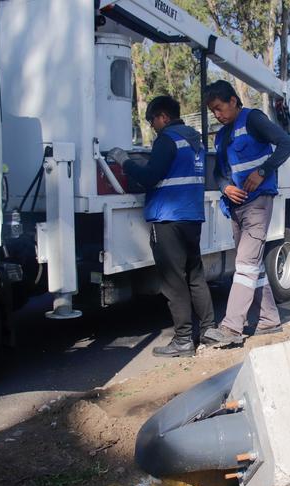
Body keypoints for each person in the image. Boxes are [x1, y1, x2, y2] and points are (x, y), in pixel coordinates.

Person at [108, 96, 214, 358]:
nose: (152, 125)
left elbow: (149, 177)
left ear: (163, 117)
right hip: (191, 216)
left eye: (152, 120)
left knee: (173, 282)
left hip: (167, 218)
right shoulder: (194, 139)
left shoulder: (167, 139)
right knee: (195, 276)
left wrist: (124, 161)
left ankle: (183, 341)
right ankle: (210, 330)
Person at [200, 80, 290, 347]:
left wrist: (263, 172)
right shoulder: (221, 136)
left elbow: (287, 144)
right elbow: (219, 172)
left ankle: (231, 328)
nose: (217, 115)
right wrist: (226, 187)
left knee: (243, 264)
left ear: (233, 100)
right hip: (236, 206)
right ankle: (269, 319)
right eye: (213, 111)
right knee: (251, 266)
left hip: (258, 202)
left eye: (220, 108)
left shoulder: (253, 119)